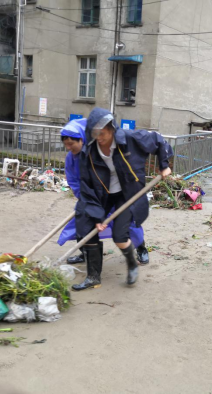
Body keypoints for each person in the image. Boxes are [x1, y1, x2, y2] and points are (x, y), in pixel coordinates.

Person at [74, 108, 173, 291]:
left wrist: (164, 165)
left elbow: (158, 140)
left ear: (111, 128)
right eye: (95, 134)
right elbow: (86, 186)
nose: (99, 137)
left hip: (127, 193)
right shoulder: (89, 152)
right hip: (102, 194)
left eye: (102, 133)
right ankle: (93, 277)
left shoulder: (130, 139)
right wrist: (97, 217)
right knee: (86, 226)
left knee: (120, 236)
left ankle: (132, 263)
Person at [57, 118, 148, 267]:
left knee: (129, 225)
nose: (69, 148)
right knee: (81, 224)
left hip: (113, 196)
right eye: (66, 145)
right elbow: (73, 180)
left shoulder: (99, 153)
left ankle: (141, 248)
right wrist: (84, 197)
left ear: (82, 140)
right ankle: (86, 253)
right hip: (91, 198)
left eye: (72, 144)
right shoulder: (71, 158)